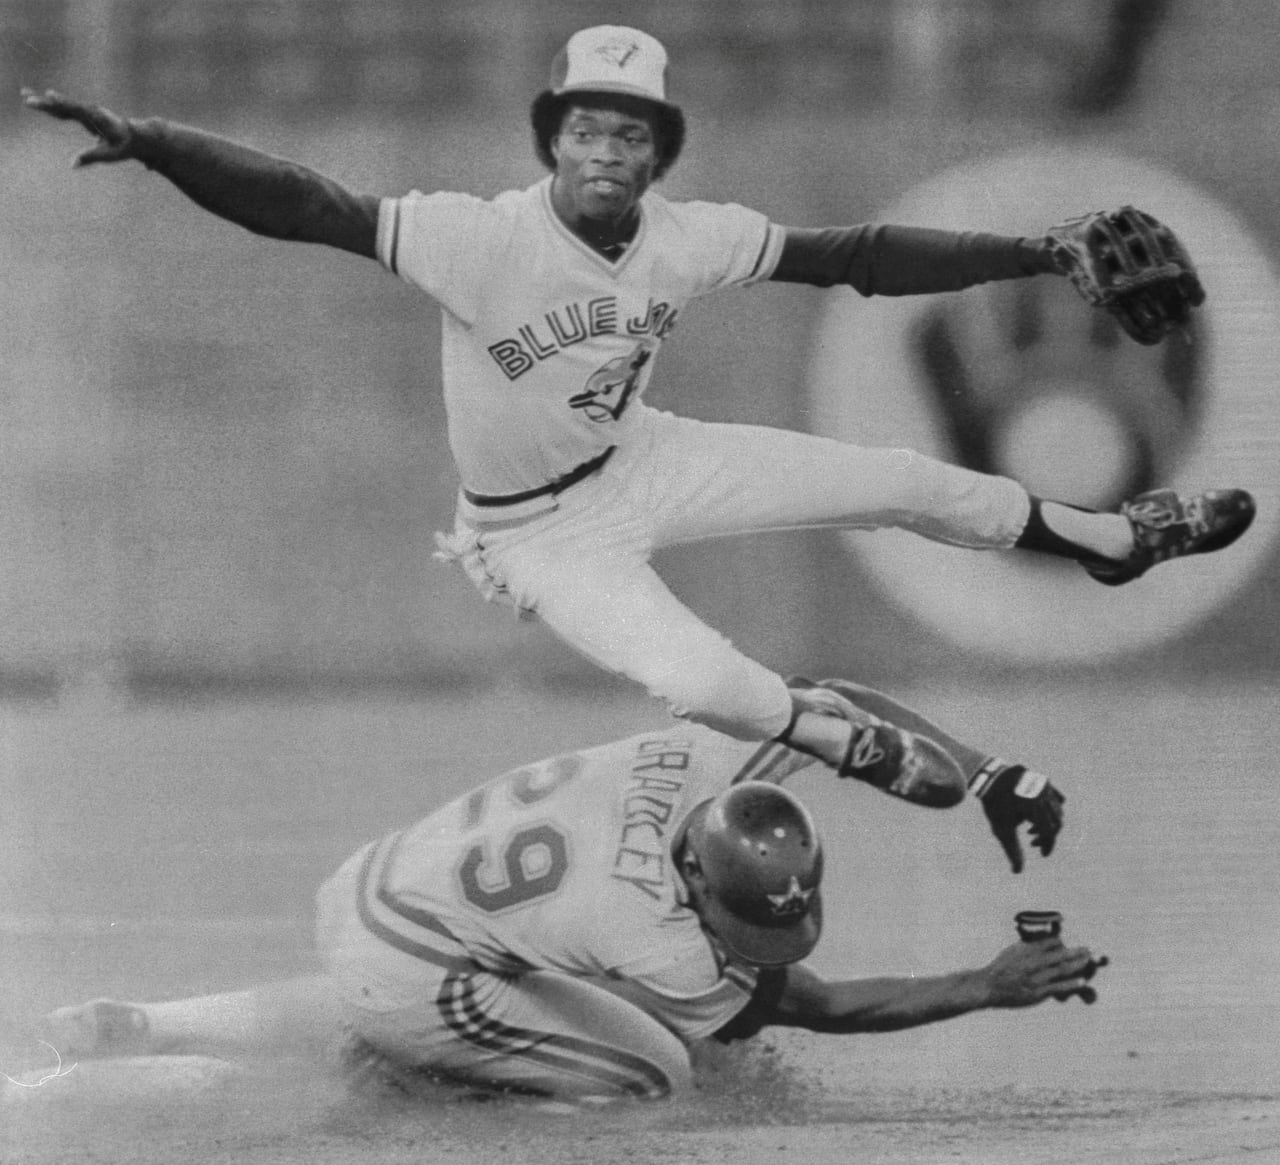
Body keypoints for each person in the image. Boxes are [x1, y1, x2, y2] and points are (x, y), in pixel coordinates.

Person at [20, 25, 1254, 771]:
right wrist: (162, 141)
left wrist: (1035, 253)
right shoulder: (477, 237)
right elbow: (308, 205)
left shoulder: (686, 235)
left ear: (657, 153)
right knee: (712, 690)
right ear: (548, 138)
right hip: (535, 534)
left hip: (643, 459)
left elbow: (859, 254)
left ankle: (1111, 538)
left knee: (906, 482)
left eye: (630, 135)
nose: (605, 154)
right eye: (584, 130)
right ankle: (844, 742)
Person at [40, 679, 1097, 1103]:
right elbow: (813, 1007)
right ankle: (353, 1098)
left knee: (429, 989)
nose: (734, 934)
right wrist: (985, 983)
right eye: (727, 911)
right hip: (411, 965)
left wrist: (982, 772)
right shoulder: (645, 926)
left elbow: (829, 704)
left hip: (377, 883)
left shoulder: (699, 754)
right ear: (691, 870)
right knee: (646, 1080)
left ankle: (140, 1020)